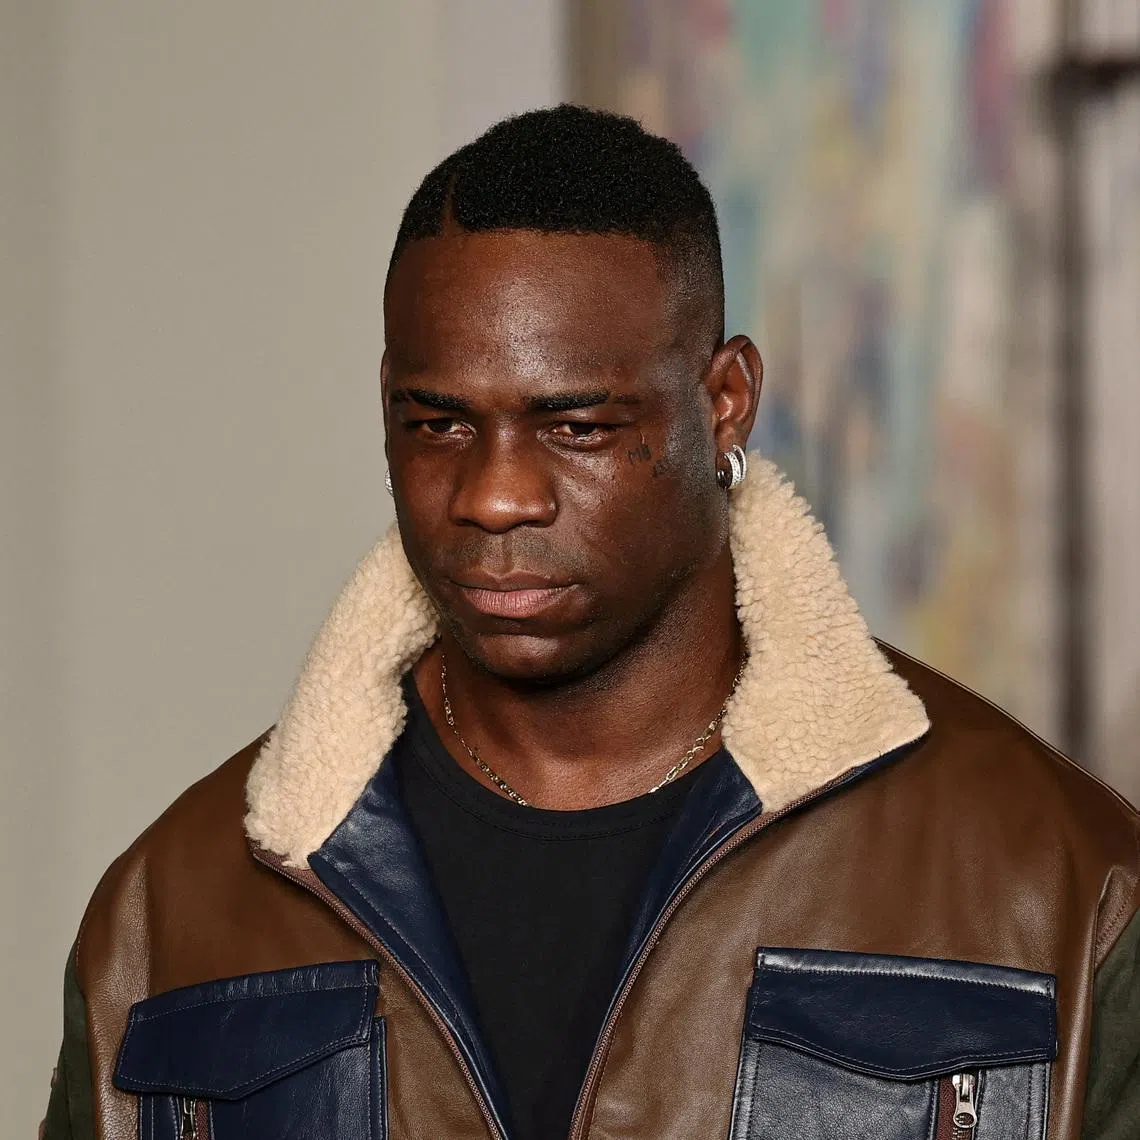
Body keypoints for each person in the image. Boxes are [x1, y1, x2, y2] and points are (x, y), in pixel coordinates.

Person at [42, 105, 1138, 1140]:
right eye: (439, 422)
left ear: (724, 403)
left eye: (574, 426)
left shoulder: (1055, 882)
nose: (495, 494)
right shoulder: (172, 914)